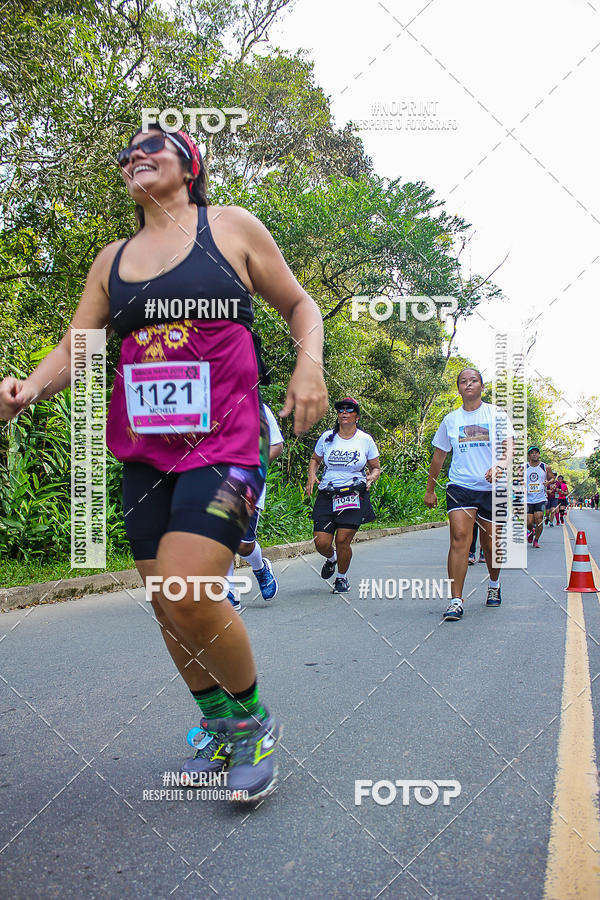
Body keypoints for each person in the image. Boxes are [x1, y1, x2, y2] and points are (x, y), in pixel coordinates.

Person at [0, 125, 328, 801]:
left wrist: (309, 367)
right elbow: (80, 343)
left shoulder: (230, 227)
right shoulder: (111, 259)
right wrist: (29, 386)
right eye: (127, 152)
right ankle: (218, 723)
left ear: (190, 165)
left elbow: (299, 304)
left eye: (155, 145)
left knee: (187, 588)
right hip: (145, 455)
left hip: (229, 446)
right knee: (166, 605)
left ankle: (254, 726)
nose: (136, 155)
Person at [424, 367, 514, 621]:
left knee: (491, 545)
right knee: (459, 538)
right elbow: (439, 456)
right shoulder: (451, 420)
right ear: (459, 389)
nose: (468, 384)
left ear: (482, 386)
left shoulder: (496, 414)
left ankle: (494, 584)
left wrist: (499, 466)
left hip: (491, 489)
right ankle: (456, 600)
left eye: (473, 380)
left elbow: (509, 449)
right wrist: (430, 489)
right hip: (460, 487)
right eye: (463, 381)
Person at [306, 397, 380, 593]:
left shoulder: (365, 440)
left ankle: (341, 577)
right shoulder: (327, 437)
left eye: (349, 409)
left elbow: (376, 467)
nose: (344, 412)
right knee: (321, 542)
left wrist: (371, 479)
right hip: (328, 493)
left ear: (356, 415)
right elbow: (315, 459)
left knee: (342, 540)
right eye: (340, 410)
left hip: (354, 493)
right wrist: (312, 475)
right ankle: (332, 558)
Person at [226, 403, 284, 610]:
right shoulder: (206, 404)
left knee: (243, 544)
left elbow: (276, 445)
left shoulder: (259, 408)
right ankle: (230, 593)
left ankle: (260, 568)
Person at [526, 447, 551, 548]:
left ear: (539, 454)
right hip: (528, 498)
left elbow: (552, 478)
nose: (534, 454)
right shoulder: (523, 467)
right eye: (532, 453)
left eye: (536, 453)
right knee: (529, 522)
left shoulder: (545, 467)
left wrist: (548, 482)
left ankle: (536, 540)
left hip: (540, 498)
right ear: (529, 455)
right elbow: (516, 479)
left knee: (539, 519)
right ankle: (531, 531)